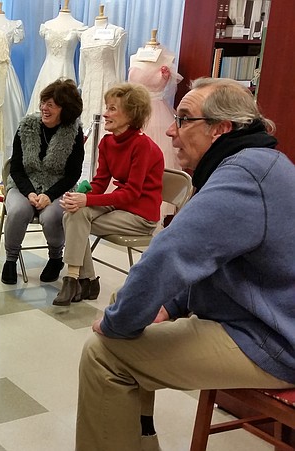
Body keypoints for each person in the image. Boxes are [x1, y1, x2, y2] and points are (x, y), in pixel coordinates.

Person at [76, 77, 295, 451]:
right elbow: (204, 257)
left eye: (185, 118)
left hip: (274, 340)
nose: (173, 130)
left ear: (221, 129)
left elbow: (169, 255)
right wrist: (170, 304)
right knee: (129, 305)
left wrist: (118, 323)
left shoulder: (243, 175)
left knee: (104, 353)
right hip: (261, 319)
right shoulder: (254, 163)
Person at [55, 83, 163, 306]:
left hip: (141, 215)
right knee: (74, 213)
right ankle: (79, 279)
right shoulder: (107, 142)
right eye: (107, 107)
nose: (105, 113)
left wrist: (88, 200)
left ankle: (79, 280)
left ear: (131, 114)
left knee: (75, 219)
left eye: (113, 108)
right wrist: (79, 196)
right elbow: (100, 184)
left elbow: (132, 193)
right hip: (122, 205)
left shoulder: (142, 145)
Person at [2, 78, 84, 285]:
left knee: (51, 215)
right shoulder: (27, 126)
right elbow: (17, 168)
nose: (44, 108)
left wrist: (49, 195)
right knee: (19, 210)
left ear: (65, 109)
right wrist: (30, 192)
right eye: (43, 103)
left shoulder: (74, 132)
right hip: (23, 184)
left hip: (58, 186)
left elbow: (73, 175)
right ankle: (10, 260)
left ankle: (56, 258)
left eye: (51, 104)